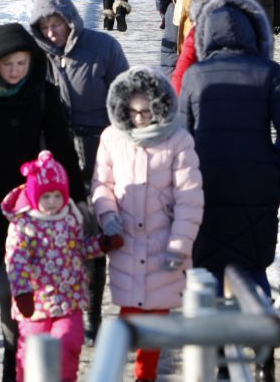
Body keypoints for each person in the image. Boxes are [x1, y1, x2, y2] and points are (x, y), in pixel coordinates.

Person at [177, 0, 280, 381]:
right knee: (253, 267)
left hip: (207, 184)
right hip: (257, 182)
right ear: (257, 34)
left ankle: (219, 358)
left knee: (210, 270)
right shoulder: (269, 73)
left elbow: (183, 135)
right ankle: (263, 354)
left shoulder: (196, 75)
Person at [0, 23, 86, 382]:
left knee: (14, 290)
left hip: (29, 210)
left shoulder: (42, 95)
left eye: (21, 64)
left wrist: (78, 200)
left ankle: (12, 366)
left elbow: (63, 148)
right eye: (8, 64)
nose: (14, 72)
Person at [28, 0, 129, 341]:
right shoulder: (36, 59)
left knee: (94, 231)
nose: (53, 33)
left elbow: (124, 96)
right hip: (55, 156)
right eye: (46, 27)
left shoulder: (103, 48)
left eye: (57, 24)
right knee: (58, 233)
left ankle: (93, 313)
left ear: (70, 20)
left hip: (101, 148)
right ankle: (63, 309)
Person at [93, 66, 204, 382]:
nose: (140, 118)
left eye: (147, 111)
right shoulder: (112, 138)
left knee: (155, 319)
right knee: (129, 315)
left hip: (162, 243)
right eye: (133, 111)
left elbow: (189, 198)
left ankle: (146, 376)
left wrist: (179, 246)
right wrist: (107, 213)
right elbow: (102, 183)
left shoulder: (178, 141)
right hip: (125, 242)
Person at [3, 151, 124, 382]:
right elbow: (16, 261)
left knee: (69, 343)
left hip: (69, 301)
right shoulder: (24, 225)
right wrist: (22, 292)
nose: (52, 202)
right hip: (35, 305)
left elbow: (80, 249)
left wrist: (102, 244)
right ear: (34, 195)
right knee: (31, 352)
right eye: (46, 196)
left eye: (57, 196)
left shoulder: (70, 218)